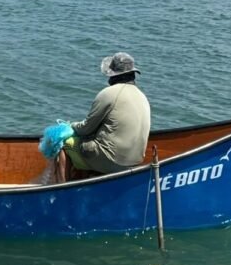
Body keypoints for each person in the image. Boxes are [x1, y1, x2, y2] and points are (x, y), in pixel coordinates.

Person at [37, 52, 151, 184]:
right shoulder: (142, 96)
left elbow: (86, 128)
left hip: (112, 160)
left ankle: (63, 189)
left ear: (113, 75)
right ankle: (87, 182)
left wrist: (70, 126)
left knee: (65, 144)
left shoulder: (108, 93)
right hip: (134, 160)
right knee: (87, 145)